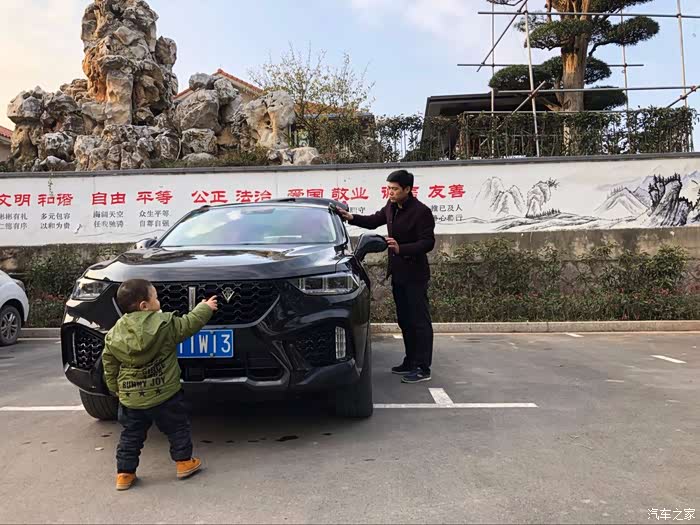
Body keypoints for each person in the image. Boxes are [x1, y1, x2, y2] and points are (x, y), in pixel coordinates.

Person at [102, 278, 218, 491]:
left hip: (131, 398)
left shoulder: (114, 334)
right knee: (177, 428)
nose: (159, 300)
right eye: (155, 297)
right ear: (144, 305)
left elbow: (109, 365)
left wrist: (115, 388)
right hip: (165, 395)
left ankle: (125, 474)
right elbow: (189, 324)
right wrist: (205, 307)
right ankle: (184, 463)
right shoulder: (165, 324)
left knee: (131, 436)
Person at [337, 169, 436, 384]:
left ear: (407, 189)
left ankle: (422, 367)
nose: (390, 192)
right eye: (388, 188)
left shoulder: (421, 212)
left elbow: (428, 242)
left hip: (415, 275)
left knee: (419, 321)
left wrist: (402, 248)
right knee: (405, 320)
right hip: (398, 273)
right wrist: (350, 218)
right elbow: (374, 220)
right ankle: (410, 361)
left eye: (394, 189)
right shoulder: (391, 207)